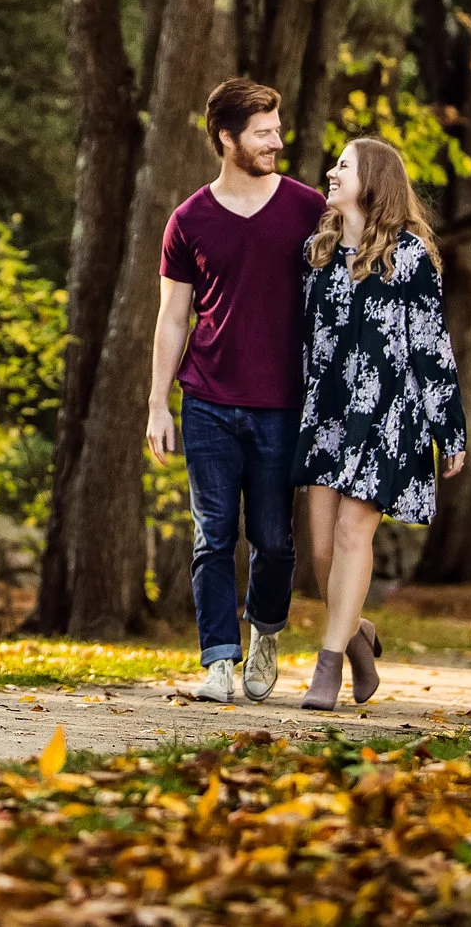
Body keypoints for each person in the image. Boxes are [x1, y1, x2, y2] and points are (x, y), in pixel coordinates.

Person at [146, 79, 327, 703]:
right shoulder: (189, 219)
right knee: (213, 534)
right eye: (263, 132)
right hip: (208, 399)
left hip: (283, 403)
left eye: (277, 129)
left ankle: (266, 633)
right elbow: (173, 317)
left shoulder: (308, 209)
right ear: (227, 138)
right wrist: (156, 403)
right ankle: (219, 659)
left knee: (274, 541)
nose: (277, 141)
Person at [294, 136, 467, 711]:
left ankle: (327, 667)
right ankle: (358, 636)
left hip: (389, 415)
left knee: (351, 535)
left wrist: (450, 430)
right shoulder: (315, 254)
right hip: (327, 414)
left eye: (344, 165)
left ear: (374, 180)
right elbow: (306, 344)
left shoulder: (410, 256)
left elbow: (433, 347)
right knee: (320, 548)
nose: (332, 171)